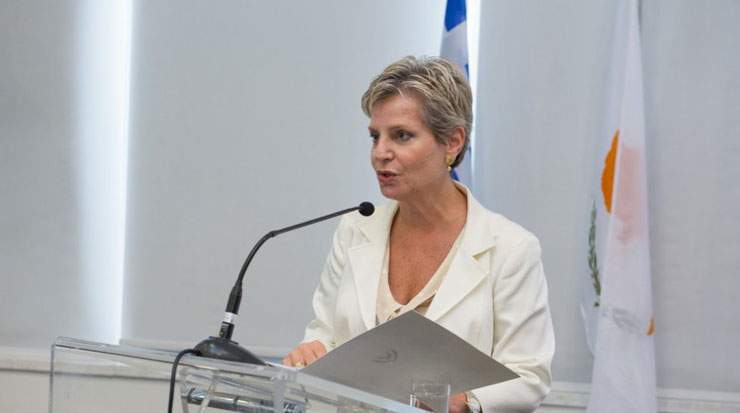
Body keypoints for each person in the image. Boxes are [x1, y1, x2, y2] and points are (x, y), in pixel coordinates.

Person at [283, 56, 555, 413]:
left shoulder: (511, 248)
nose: (380, 153)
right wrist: (310, 352)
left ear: (452, 142)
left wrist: (466, 402)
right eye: (375, 136)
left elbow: (530, 375)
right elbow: (324, 334)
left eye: (401, 136)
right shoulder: (353, 230)